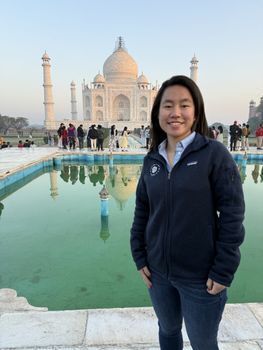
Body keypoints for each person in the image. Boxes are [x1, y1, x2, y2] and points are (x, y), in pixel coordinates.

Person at [130, 75, 245, 350]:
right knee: (168, 331)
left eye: (184, 105)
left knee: (203, 343)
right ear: (157, 111)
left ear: (196, 112)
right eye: (168, 105)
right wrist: (139, 255)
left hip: (200, 276)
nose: (176, 113)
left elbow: (232, 214)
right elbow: (143, 210)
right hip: (158, 272)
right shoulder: (152, 159)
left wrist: (223, 270)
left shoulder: (214, 155)